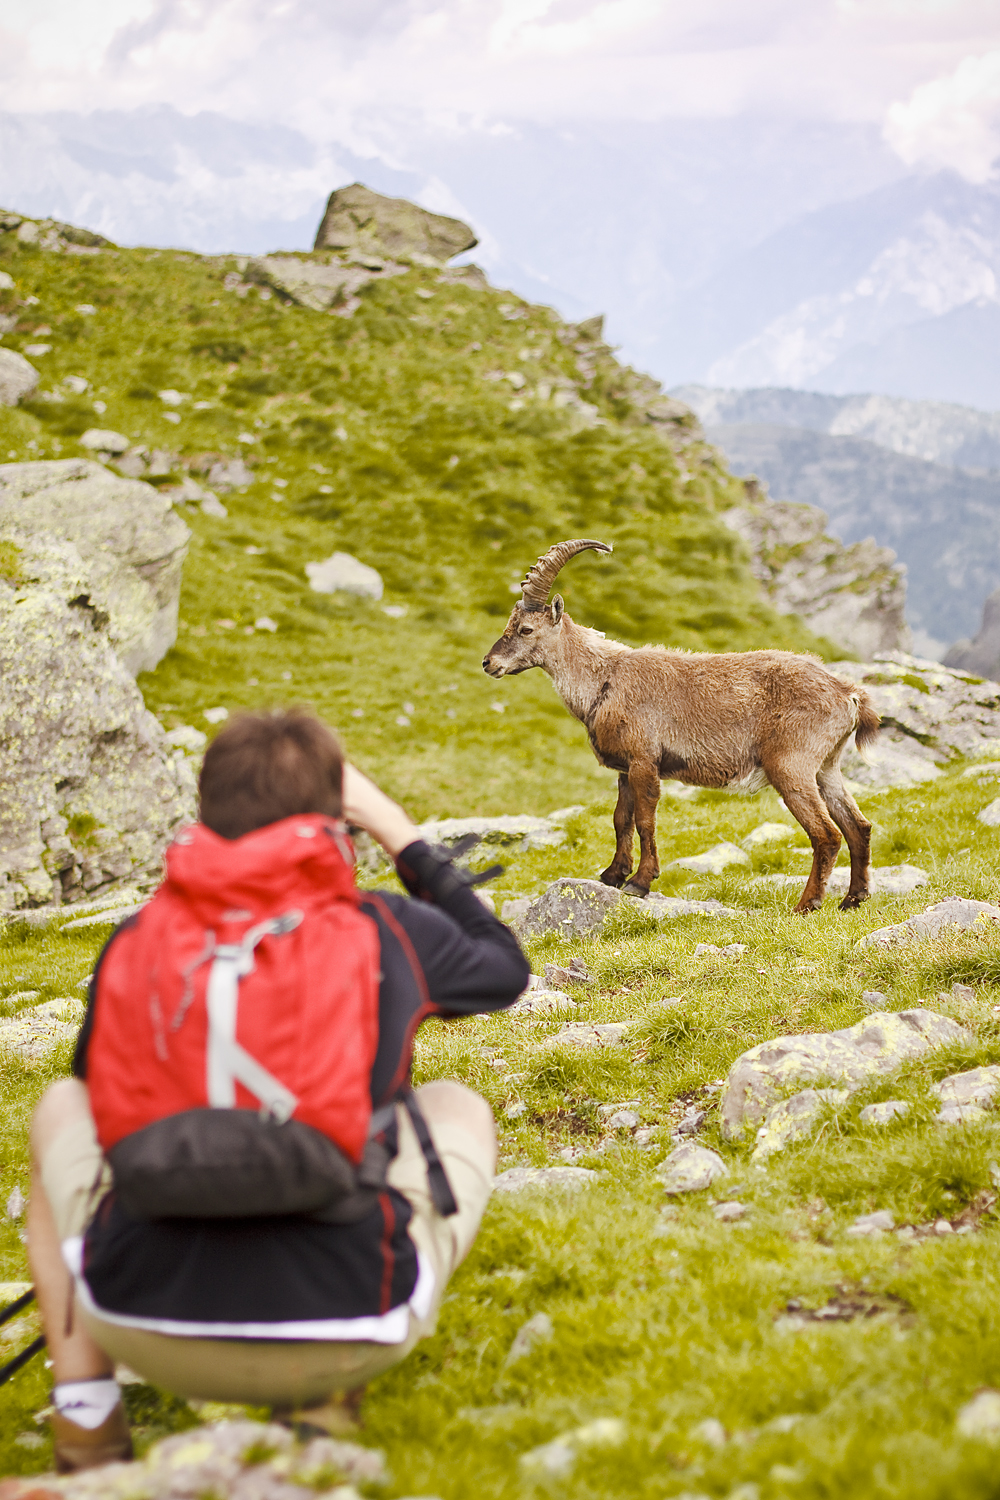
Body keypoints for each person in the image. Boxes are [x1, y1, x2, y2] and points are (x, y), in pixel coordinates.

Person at [26, 710, 530, 1473]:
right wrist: (397, 831)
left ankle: (86, 1425)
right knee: (458, 1104)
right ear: (337, 817)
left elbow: (100, 1097)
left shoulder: (137, 937)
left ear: (204, 812)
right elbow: (503, 967)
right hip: (352, 1327)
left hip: (140, 1320)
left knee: (61, 1106)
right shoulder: (384, 927)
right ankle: (322, 1404)